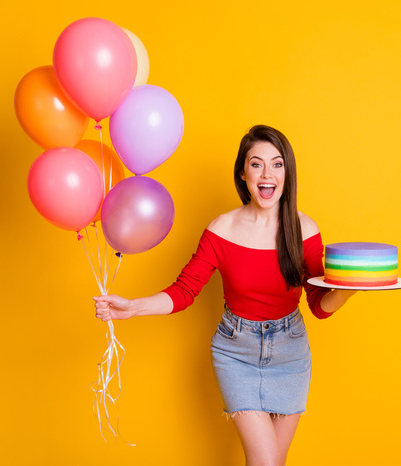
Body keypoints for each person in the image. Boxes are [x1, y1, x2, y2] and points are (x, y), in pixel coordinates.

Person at [94, 124, 356, 466]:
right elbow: (185, 290)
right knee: (265, 462)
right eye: (256, 163)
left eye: (277, 164)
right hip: (237, 351)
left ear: (287, 173)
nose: (267, 173)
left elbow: (320, 306)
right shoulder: (222, 229)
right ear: (243, 173)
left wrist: (350, 291)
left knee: (276, 461)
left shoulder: (304, 229)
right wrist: (133, 307)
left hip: (290, 352)